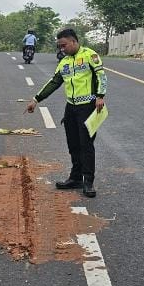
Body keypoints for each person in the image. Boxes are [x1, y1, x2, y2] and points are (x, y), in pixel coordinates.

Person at [26, 28, 106, 197]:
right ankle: (75, 178)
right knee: (73, 144)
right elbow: (54, 82)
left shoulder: (90, 56)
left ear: (73, 41)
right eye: (60, 47)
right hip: (71, 108)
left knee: (86, 145)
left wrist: (100, 96)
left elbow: (101, 76)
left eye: (64, 45)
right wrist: (36, 100)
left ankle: (88, 182)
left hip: (89, 106)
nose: (62, 49)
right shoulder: (64, 62)